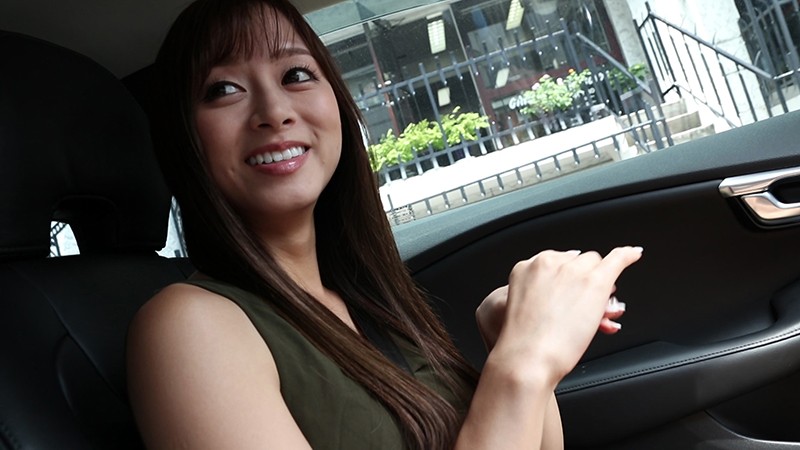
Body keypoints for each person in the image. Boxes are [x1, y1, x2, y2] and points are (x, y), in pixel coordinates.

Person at [125, 0, 643, 448]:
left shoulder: (367, 298)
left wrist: (506, 344)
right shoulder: (187, 325)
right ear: (183, 137)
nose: (274, 110)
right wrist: (520, 365)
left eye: (296, 75)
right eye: (224, 89)